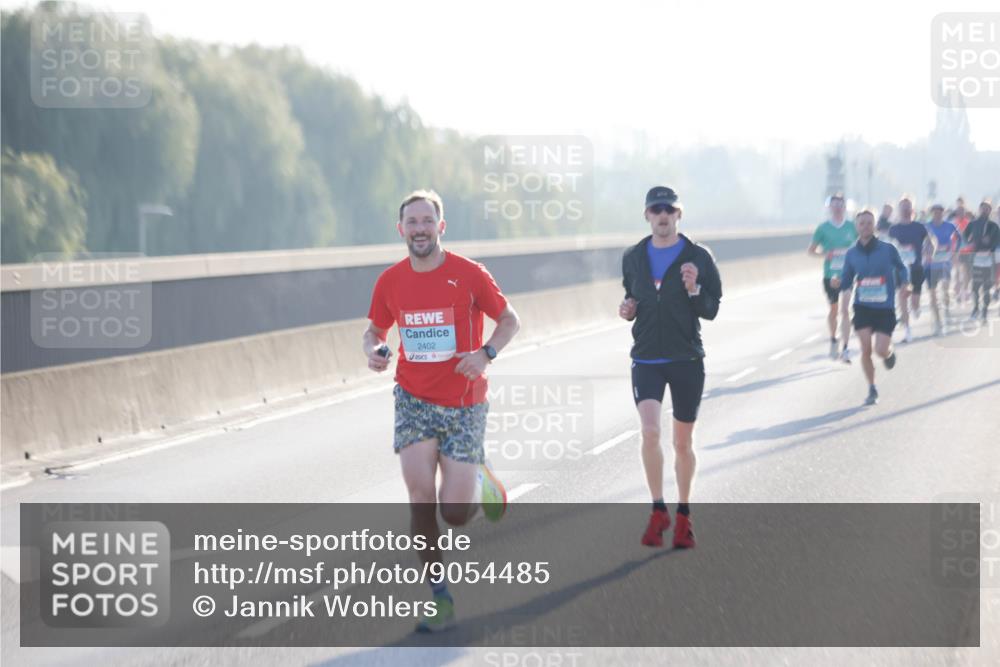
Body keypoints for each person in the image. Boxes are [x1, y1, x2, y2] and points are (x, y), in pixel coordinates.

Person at [363, 189, 521, 632]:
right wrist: (375, 349)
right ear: (401, 230)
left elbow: (510, 320)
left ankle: (479, 474)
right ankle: (440, 595)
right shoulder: (390, 280)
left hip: (465, 404)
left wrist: (486, 353)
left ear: (441, 226)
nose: (419, 229)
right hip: (413, 399)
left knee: (454, 515)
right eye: (411, 222)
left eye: (426, 221)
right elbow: (374, 329)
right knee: (419, 498)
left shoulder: (469, 274)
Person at [619, 186, 722, 549]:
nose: (662, 215)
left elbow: (711, 309)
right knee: (649, 432)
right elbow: (632, 295)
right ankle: (657, 509)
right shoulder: (633, 257)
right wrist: (628, 309)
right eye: (656, 209)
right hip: (646, 357)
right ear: (647, 215)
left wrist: (694, 290)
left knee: (682, 442)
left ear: (679, 214)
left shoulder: (699, 257)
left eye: (669, 209)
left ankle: (684, 513)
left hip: (686, 359)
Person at [832, 209, 908, 406]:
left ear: (874, 226)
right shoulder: (851, 254)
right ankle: (872, 388)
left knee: (880, 350)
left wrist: (905, 284)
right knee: (865, 349)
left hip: (884, 307)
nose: (865, 226)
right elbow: (847, 280)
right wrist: (838, 283)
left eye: (869, 223)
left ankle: (889, 354)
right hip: (863, 307)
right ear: (856, 227)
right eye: (862, 223)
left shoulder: (887, 249)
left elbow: (901, 267)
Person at [807, 193, 857, 361]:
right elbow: (811, 251)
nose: (837, 208)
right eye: (834, 205)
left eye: (840, 205)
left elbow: (862, 244)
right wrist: (825, 254)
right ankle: (833, 340)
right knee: (834, 310)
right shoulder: (823, 229)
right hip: (830, 275)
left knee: (845, 310)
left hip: (848, 274)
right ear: (830, 208)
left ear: (844, 207)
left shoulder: (852, 227)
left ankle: (845, 348)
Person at [888, 197, 927, 342]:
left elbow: (930, 241)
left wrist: (930, 251)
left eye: (908, 206)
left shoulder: (919, 227)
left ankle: (916, 308)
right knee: (902, 297)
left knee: (914, 302)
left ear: (912, 209)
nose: (905, 209)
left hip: (916, 267)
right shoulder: (894, 229)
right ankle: (907, 331)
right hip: (900, 269)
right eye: (903, 206)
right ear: (899, 209)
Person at [924, 203, 959, 335]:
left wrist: (955, 252)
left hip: (945, 263)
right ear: (931, 213)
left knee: (945, 290)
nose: (937, 213)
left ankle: (947, 312)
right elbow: (921, 243)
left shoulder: (949, 226)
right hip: (930, 266)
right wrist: (924, 253)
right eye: (935, 211)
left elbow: (959, 239)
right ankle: (938, 322)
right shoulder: (926, 227)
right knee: (933, 296)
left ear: (943, 213)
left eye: (940, 211)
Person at [963, 200, 1000, 321]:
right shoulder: (973, 224)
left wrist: (991, 247)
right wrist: (970, 243)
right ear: (980, 209)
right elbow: (964, 235)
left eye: (988, 208)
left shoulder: (994, 226)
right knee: (975, 286)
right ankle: (976, 308)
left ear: (990, 210)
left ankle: (984, 311)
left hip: (988, 260)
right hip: (976, 259)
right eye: (983, 208)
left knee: (986, 287)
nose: (985, 210)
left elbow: (997, 241)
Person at [949, 197, 973, 305]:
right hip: (957, 251)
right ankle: (958, 292)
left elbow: (972, 237)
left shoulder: (969, 223)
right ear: (956, 212)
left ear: (965, 212)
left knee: (967, 273)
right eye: (958, 211)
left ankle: (965, 290)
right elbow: (951, 238)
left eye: (962, 211)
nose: (960, 213)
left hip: (968, 251)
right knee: (958, 272)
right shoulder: (953, 223)